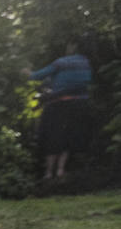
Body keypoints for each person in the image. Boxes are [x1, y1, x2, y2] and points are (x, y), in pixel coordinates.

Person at [24, 43, 93, 180]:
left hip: (58, 105)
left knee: (53, 136)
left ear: (72, 48)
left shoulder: (61, 63)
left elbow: (37, 76)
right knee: (68, 136)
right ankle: (60, 170)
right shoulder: (86, 63)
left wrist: (27, 72)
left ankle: (49, 173)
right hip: (79, 104)